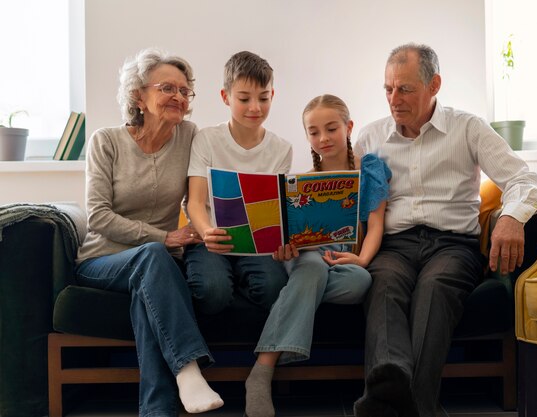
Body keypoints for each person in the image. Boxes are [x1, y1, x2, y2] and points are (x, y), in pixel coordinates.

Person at [352, 43, 537, 417]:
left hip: (452, 246)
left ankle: (407, 407)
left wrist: (510, 217)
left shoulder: (468, 127)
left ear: (434, 84)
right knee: (383, 283)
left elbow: (524, 178)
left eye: (405, 88)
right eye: (388, 89)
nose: (394, 99)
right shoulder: (370, 138)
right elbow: (345, 194)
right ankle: (395, 389)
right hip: (393, 245)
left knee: (435, 288)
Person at [75, 48, 224, 416]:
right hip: (103, 259)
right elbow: (98, 216)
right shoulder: (105, 141)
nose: (178, 96)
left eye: (184, 91)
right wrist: (163, 237)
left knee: (149, 292)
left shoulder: (190, 136)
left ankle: (157, 410)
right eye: (166, 88)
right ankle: (188, 369)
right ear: (138, 95)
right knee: (153, 256)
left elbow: (200, 199)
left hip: (157, 266)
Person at [244, 94, 390, 417]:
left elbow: (375, 224)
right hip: (307, 254)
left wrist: (362, 259)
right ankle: (261, 372)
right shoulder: (303, 181)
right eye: (313, 132)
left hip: (342, 260)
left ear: (348, 127)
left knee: (360, 282)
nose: (323, 138)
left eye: (331, 128)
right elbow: (287, 236)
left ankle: (300, 298)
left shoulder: (371, 170)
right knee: (310, 268)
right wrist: (283, 251)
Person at [185, 51, 292, 315]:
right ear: (226, 97)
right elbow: (195, 202)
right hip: (209, 240)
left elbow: (278, 212)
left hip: (257, 246)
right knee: (212, 290)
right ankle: (228, 278)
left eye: (263, 98)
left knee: (274, 286)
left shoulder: (281, 149)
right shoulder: (207, 139)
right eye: (244, 99)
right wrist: (207, 232)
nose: (255, 107)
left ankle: (241, 279)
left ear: (272, 96)